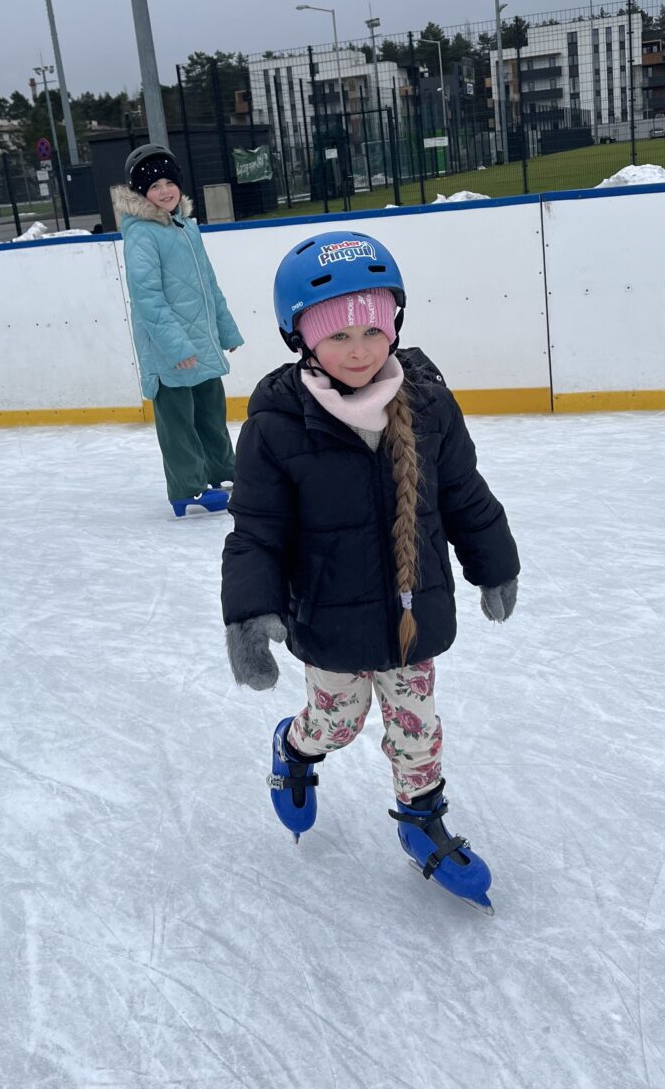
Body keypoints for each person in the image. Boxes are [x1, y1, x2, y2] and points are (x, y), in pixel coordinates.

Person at [221, 230, 519, 911]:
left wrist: (494, 565)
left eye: (372, 331)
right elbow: (258, 530)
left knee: (417, 724)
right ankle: (295, 747)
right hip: (329, 617)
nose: (358, 350)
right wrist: (249, 613)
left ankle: (421, 818)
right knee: (339, 723)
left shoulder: (429, 405)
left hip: (414, 612)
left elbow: (464, 494)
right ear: (301, 339)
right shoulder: (277, 424)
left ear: (394, 327)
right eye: (337, 336)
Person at [113, 145, 244, 517]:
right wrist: (176, 347)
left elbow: (208, 285)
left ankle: (222, 472)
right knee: (178, 422)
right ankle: (188, 487)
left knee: (210, 413)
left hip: (202, 342)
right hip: (168, 349)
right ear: (141, 193)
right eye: (154, 186)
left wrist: (226, 331)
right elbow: (147, 298)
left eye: (169, 182)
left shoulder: (186, 228)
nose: (165, 191)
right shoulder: (141, 234)